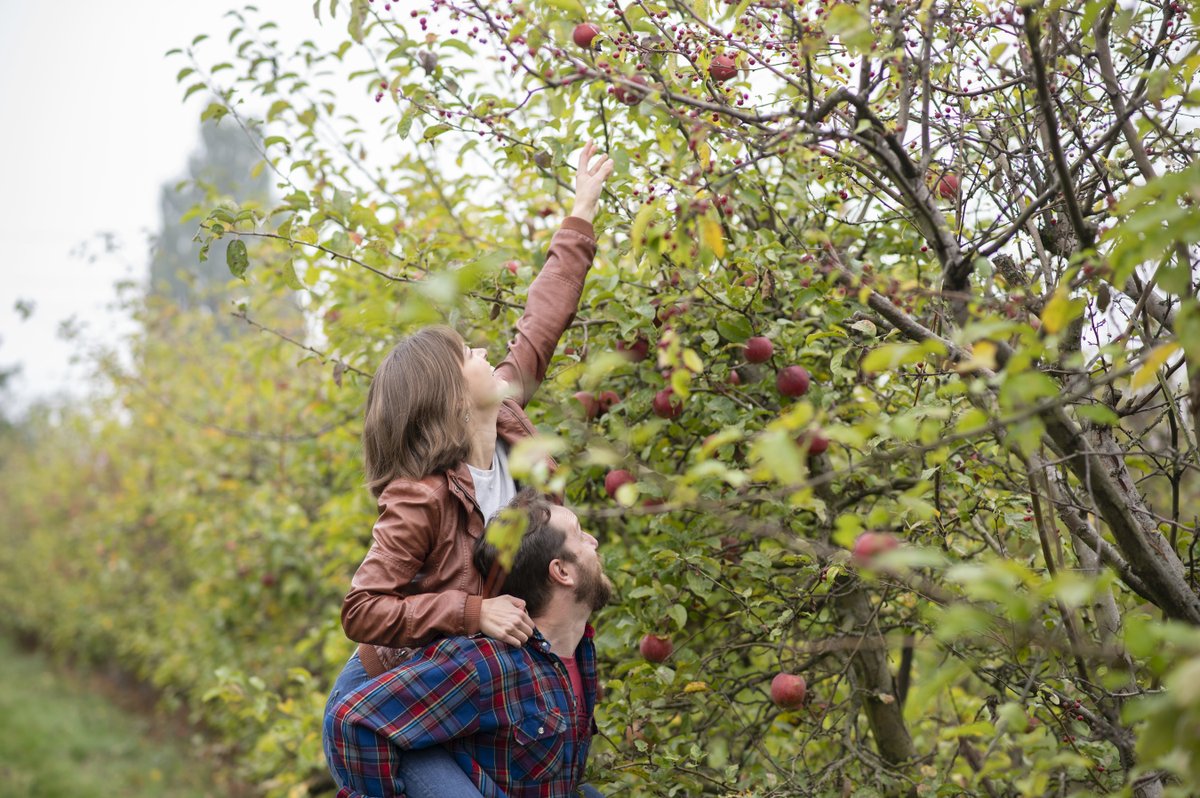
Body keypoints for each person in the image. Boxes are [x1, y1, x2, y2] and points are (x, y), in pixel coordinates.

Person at [322, 141, 614, 795]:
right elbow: (362, 608)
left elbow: (543, 319)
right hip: (398, 685)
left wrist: (581, 212)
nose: (486, 351)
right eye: (467, 353)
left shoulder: (506, 420)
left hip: (477, 682)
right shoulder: (417, 497)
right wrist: (470, 613)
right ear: (452, 397)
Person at [326, 490, 612, 798]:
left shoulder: (580, 654)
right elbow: (352, 719)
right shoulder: (488, 665)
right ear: (561, 571)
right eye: (581, 535)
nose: (594, 542)